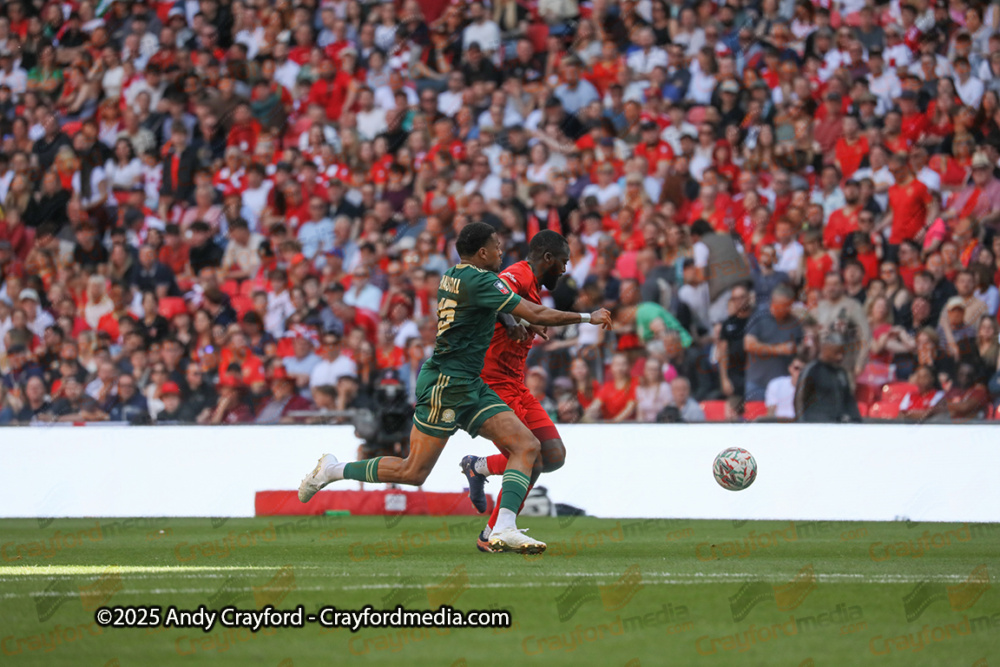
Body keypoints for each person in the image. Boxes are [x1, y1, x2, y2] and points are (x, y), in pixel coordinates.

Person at [297, 222, 612, 554]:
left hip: (470, 383)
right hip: (446, 384)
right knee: (413, 471)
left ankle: (503, 527)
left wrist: (513, 320)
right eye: (496, 247)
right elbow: (528, 306)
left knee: (527, 446)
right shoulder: (485, 279)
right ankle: (333, 470)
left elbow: (499, 305)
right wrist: (586, 318)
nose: (501, 253)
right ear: (482, 253)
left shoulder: (454, 275)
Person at [457, 231, 573, 552]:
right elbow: (492, 294)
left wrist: (523, 320)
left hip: (515, 383)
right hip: (491, 383)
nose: (564, 269)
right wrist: (510, 321)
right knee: (529, 457)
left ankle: (479, 466)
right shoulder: (519, 273)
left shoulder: (533, 287)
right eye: (562, 261)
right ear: (547, 258)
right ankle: (492, 533)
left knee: (553, 455)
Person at [744, 284, 803, 401]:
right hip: (758, 383)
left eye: (789, 305)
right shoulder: (759, 317)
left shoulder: (795, 322)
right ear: (773, 303)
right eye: (783, 306)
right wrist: (779, 349)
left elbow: (800, 350)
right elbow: (748, 345)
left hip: (783, 385)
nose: (787, 309)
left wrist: (801, 348)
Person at [794, 332, 863, 423]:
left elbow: (849, 401)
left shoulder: (841, 373)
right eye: (836, 353)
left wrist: (857, 420)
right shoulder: (812, 370)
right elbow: (799, 400)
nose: (840, 357)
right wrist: (802, 424)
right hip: (815, 423)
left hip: (837, 424)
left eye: (842, 353)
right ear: (825, 349)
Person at [765, 355, 806, 420]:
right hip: (780, 423)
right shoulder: (776, 384)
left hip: (801, 423)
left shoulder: (811, 388)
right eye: (796, 368)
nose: (799, 372)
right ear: (790, 368)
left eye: (803, 369)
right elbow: (771, 412)